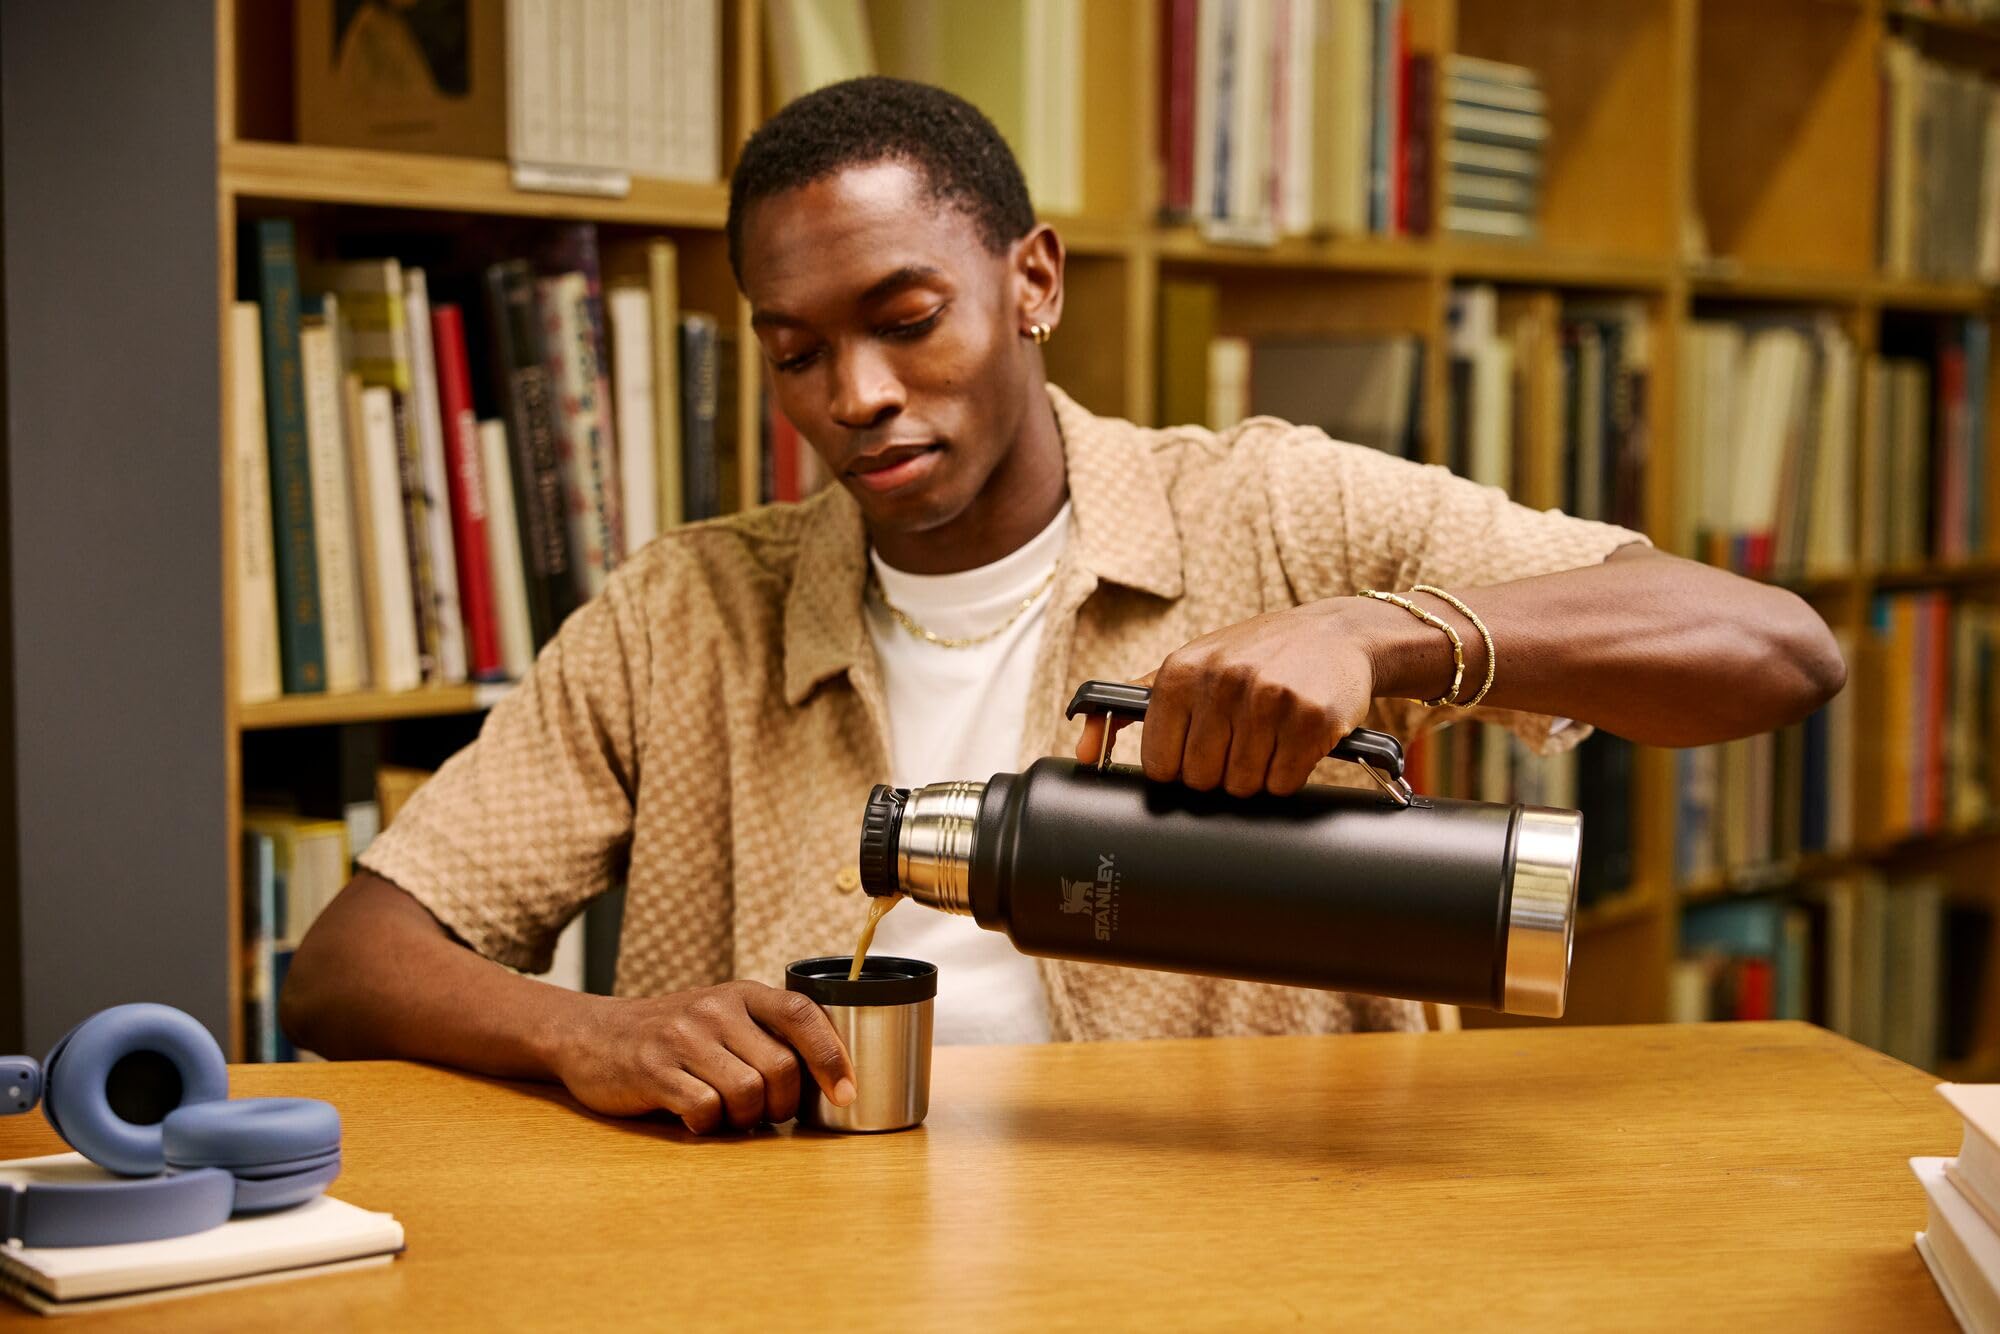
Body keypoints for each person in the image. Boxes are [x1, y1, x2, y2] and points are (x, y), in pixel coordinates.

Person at [280, 78, 1846, 1134]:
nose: (860, 398)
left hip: (1249, 1263)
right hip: (804, 1265)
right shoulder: (683, 610)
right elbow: (346, 963)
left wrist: (1386, 633)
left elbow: (1775, 649)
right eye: (797, 352)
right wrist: (581, 1031)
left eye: (906, 321)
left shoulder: (1277, 509)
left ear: (1033, 280)